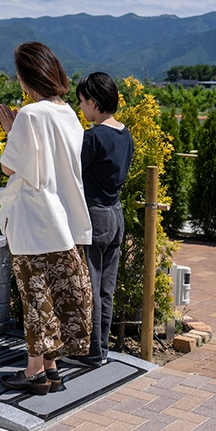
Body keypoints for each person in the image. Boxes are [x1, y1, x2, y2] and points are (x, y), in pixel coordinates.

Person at [0, 42, 93, 395]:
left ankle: (34, 374)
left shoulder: (30, 115)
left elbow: (10, 165)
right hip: (62, 220)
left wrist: (11, 128)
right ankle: (50, 370)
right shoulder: (69, 115)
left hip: (32, 221)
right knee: (50, 296)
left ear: (25, 77)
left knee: (35, 299)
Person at [63, 72, 134, 368]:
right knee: (106, 290)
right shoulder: (125, 134)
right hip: (117, 215)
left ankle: (91, 353)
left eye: (81, 102)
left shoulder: (92, 138)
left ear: (94, 102)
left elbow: (70, 173)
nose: (81, 108)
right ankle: (101, 351)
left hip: (95, 217)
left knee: (89, 288)